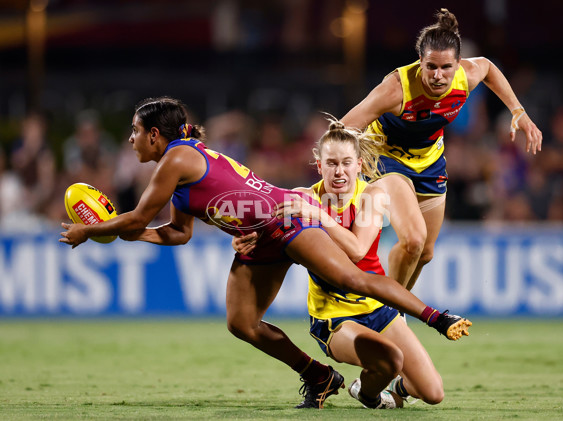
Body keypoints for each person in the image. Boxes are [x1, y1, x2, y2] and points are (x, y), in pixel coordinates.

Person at [59, 96, 470, 409]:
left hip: (284, 218)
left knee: (353, 276)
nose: (130, 139)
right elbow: (177, 233)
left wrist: (91, 230)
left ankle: (437, 316)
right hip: (261, 235)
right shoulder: (182, 163)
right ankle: (319, 376)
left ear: (154, 134)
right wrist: (133, 235)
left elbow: (136, 218)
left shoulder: (177, 157)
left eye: (134, 131)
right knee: (241, 323)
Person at [234, 118, 445, 409]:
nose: (339, 171)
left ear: (359, 165)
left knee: (433, 393)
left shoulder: (371, 196)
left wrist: (319, 216)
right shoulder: (304, 198)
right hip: (334, 317)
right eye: (331, 163)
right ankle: (370, 394)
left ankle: (379, 386)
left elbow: (357, 250)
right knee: (388, 360)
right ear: (319, 166)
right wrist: (247, 239)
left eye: (346, 163)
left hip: (377, 309)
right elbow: (263, 227)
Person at [340, 8, 543, 291]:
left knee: (425, 252)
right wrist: (340, 170)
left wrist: (517, 110)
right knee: (412, 240)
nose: (438, 75)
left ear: (458, 64)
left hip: (430, 161)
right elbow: (342, 128)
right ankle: (387, 313)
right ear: (420, 62)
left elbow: (488, 67)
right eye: (431, 67)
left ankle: (389, 310)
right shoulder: (395, 89)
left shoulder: (467, 75)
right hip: (387, 158)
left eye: (446, 67)